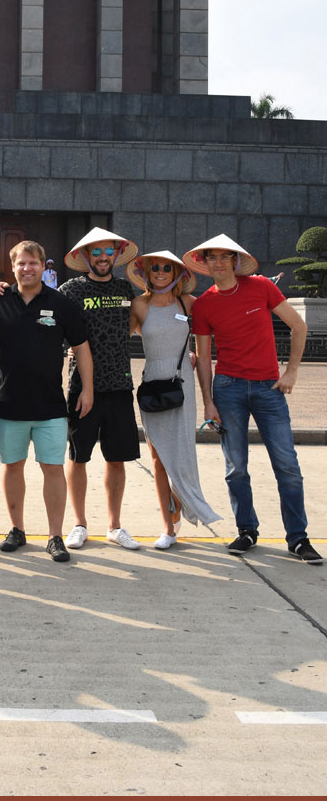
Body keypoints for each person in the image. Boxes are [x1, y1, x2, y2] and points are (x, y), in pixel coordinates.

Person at [185, 233, 322, 563]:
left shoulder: (261, 287)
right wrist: (208, 401)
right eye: (212, 257)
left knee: (287, 465)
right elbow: (204, 357)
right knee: (236, 468)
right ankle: (247, 530)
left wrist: (291, 372)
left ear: (236, 260)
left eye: (225, 256)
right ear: (204, 263)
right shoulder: (204, 304)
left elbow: (299, 326)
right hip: (228, 388)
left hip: (268, 389)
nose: (218, 262)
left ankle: (298, 538)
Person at [0, 240, 93, 562]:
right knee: (13, 467)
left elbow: (82, 348)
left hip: (50, 407)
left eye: (33, 263)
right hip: (10, 404)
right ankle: (17, 529)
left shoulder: (60, 303)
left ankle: (54, 536)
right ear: (13, 267)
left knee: (53, 469)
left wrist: (88, 390)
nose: (27, 268)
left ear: (43, 266)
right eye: (21, 263)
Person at [128, 250, 224, 547]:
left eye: (166, 268)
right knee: (158, 458)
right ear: (146, 272)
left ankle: (181, 501)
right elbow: (115, 338)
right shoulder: (139, 305)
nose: (160, 272)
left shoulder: (189, 302)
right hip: (153, 383)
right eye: (155, 268)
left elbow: (220, 310)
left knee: (181, 454)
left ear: (177, 274)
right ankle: (168, 527)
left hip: (182, 382)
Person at [58, 227, 142, 551]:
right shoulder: (71, 290)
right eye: (97, 251)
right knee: (78, 457)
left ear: (117, 255)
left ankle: (114, 526)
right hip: (83, 389)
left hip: (119, 386)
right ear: (85, 255)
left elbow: (143, 318)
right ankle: (79, 524)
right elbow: (49, 319)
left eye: (109, 251)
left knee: (117, 459)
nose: (103, 257)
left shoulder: (125, 289)